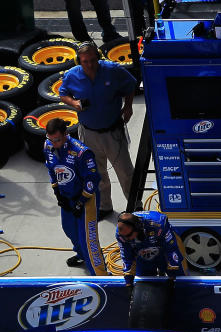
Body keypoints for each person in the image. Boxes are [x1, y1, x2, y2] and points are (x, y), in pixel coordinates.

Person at [59, 41, 138, 218]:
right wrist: (74, 103)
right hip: (89, 133)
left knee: (126, 173)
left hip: (113, 132)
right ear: (78, 61)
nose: (90, 64)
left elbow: (131, 85)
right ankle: (105, 206)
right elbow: (63, 93)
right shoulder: (72, 75)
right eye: (85, 61)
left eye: (93, 60)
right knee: (97, 173)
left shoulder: (113, 70)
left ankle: (135, 206)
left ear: (99, 58)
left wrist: (128, 107)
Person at [44, 117, 107, 275]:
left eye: (57, 140)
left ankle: (101, 276)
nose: (53, 143)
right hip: (66, 197)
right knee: (69, 230)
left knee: (88, 239)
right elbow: (52, 171)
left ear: (65, 134)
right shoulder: (48, 146)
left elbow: (92, 180)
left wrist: (81, 202)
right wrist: (58, 193)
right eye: (50, 139)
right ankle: (82, 256)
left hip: (86, 200)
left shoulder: (81, 152)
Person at [115, 211, 187, 285]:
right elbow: (126, 256)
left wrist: (173, 276)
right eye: (124, 237)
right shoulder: (121, 234)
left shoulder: (159, 224)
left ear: (137, 227)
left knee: (180, 279)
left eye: (129, 235)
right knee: (144, 283)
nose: (127, 239)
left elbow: (171, 249)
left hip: (166, 248)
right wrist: (128, 281)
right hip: (142, 254)